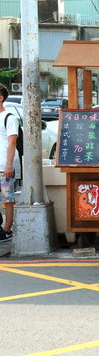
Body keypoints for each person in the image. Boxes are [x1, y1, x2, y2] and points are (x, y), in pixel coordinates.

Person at [0, 85, 20, 243]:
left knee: (7, 199)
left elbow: (12, 142)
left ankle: (7, 231)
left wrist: (8, 166)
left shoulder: (9, 117)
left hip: (4, 166)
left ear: (1, 98)